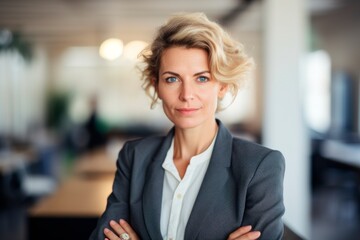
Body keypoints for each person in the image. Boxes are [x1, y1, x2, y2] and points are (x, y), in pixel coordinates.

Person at [89, 12, 285, 240]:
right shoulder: (134, 157)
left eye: (202, 78)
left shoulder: (260, 167)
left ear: (221, 86)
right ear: (157, 85)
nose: (186, 95)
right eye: (172, 79)